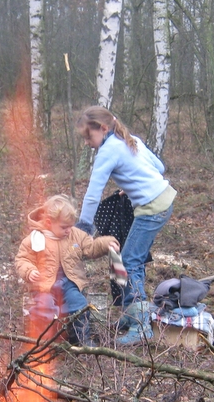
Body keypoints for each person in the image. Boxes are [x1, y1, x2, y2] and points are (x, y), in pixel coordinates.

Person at [76, 106, 177, 345]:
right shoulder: (130, 140)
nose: (88, 143)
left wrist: (82, 228)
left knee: (129, 261)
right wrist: (132, 183)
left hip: (152, 208)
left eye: (89, 137)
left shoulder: (107, 152)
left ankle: (142, 327)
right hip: (163, 199)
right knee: (131, 258)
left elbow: (92, 195)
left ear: (103, 128)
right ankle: (133, 313)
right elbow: (159, 168)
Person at [15, 194, 119, 346]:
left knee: (79, 305)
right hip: (44, 285)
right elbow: (22, 259)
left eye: (71, 226)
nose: (69, 230)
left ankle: (82, 341)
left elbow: (91, 248)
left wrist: (107, 243)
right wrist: (29, 270)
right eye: (64, 227)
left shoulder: (76, 235)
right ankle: (44, 343)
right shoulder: (35, 238)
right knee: (43, 309)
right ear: (49, 223)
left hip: (70, 283)